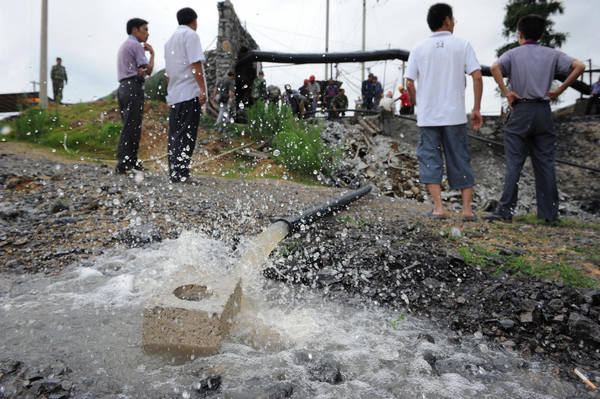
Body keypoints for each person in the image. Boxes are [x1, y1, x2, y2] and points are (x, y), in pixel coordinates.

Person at [487, 14, 585, 223]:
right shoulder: (552, 54)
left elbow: (495, 67)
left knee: (514, 163)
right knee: (546, 163)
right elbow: (580, 66)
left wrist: (506, 91)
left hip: (521, 110)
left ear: (519, 34)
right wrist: (559, 89)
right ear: (541, 35)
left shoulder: (512, 54)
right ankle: (549, 215)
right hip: (543, 111)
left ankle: (505, 212)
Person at [405, 2, 483, 221]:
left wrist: (418, 104)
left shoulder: (418, 49)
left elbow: (409, 82)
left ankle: (438, 207)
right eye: (453, 19)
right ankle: (467, 210)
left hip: (428, 117)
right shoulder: (463, 45)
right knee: (460, 157)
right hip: (455, 115)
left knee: (429, 158)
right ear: (447, 20)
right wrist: (476, 108)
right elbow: (477, 76)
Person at [164, 7, 207, 183]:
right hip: (189, 92)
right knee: (187, 134)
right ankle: (182, 173)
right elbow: (195, 65)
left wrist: (169, 94)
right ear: (194, 21)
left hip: (175, 95)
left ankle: (175, 171)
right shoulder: (191, 35)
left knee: (175, 134)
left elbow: (168, 74)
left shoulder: (169, 41)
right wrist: (202, 89)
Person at [115, 18, 154, 174]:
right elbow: (149, 70)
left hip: (124, 87)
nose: (147, 33)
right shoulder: (135, 45)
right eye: (144, 29)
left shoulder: (127, 45)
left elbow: (142, 71)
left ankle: (130, 161)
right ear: (135, 30)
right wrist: (152, 53)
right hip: (132, 87)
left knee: (131, 125)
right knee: (131, 126)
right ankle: (124, 164)